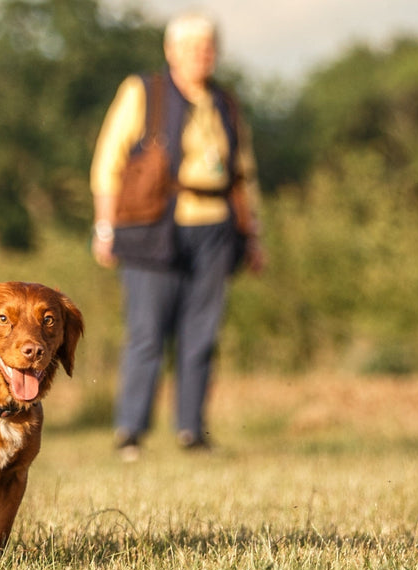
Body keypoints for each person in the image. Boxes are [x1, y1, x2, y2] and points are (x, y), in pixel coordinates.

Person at [90, 12, 265, 461]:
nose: (200, 55)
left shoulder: (224, 101)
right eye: (190, 47)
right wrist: (105, 227)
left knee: (202, 334)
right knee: (147, 333)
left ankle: (192, 430)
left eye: (207, 47)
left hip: (214, 226)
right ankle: (130, 432)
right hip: (151, 227)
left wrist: (253, 235)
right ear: (170, 52)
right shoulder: (143, 91)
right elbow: (108, 162)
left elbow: (245, 172)